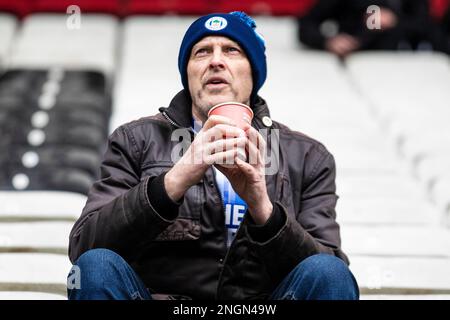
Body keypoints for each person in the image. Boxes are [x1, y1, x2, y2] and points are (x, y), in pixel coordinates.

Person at [67, 11, 359, 300]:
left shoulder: (308, 156)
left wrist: (263, 208)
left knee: (329, 272)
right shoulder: (135, 139)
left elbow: (329, 272)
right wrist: (172, 182)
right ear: (188, 74)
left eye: (231, 50)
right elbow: (85, 247)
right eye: (202, 52)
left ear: (253, 72)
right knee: (95, 267)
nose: (216, 61)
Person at [298, 0, 438, 58]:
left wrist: (395, 20)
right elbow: (306, 25)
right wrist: (328, 42)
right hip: (355, 59)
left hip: (401, 62)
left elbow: (428, 26)